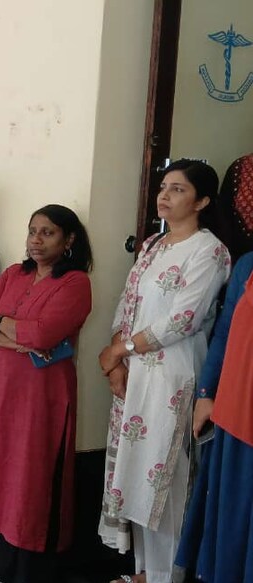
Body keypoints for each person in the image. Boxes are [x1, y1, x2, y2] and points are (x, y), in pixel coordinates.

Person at [98, 159, 231, 583]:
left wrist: (121, 349)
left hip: (171, 374)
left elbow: (184, 319)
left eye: (177, 189)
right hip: (134, 371)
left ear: (203, 201)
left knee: (165, 477)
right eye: (163, 187)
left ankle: (166, 575)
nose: (165, 195)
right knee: (134, 471)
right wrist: (117, 360)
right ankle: (142, 571)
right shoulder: (154, 245)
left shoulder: (209, 250)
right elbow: (128, 301)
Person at [0, 205, 94, 583]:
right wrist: (10, 334)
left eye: (47, 232)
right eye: (33, 231)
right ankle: (2, 573)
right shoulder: (14, 274)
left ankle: (27, 576)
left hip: (41, 397)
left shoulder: (75, 283)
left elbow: (43, 335)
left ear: (68, 240)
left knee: (32, 482)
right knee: (3, 477)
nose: (36, 239)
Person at [176, 153, 253, 583]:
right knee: (231, 522)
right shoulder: (247, 265)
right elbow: (223, 336)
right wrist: (206, 395)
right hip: (236, 420)